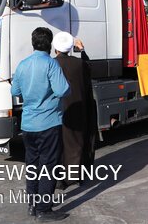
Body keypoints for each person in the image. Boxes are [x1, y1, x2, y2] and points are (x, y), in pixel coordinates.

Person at [11, 27, 70, 222]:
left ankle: (32, 204)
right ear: (50, 44)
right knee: (48, 166)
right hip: (49, 123)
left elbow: (15, 91)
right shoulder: (51, 65)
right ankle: (44, 209)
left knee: (32, 165)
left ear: (33, 42)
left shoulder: (22, 64)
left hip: (28, 125)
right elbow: (62, 90)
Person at [52, 32, 97, 189]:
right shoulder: (79, 64)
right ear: (70, 47)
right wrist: (82, 50)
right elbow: (89, 68)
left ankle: (59, 179)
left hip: (57, 110)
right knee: (76, 142)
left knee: (59, 144)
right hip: (78, 107)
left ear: (54, 47)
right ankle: (75, 176)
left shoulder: (51, 64)